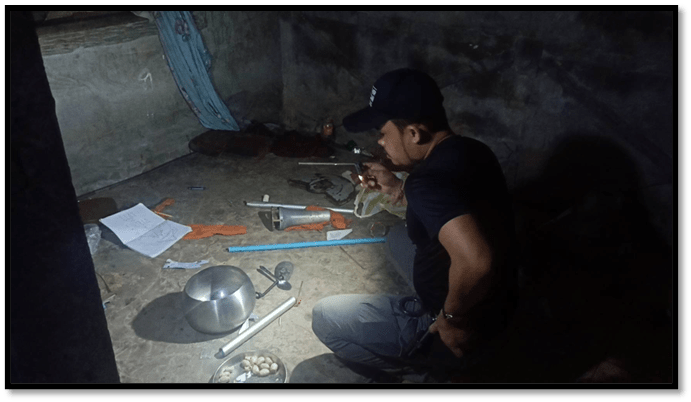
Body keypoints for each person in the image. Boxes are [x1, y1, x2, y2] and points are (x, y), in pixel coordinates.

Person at [311, 68, 519, 380]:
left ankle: (426, 367)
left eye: (383, 133)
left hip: (468, 319)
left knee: (326, 317)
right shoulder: (473, 150)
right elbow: (450, 202)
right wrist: (396, 187)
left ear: (414, 133)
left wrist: (452, 319)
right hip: (501, 299)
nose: (380, 142)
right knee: (398, 236)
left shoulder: (425, 183)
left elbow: (477, 261)